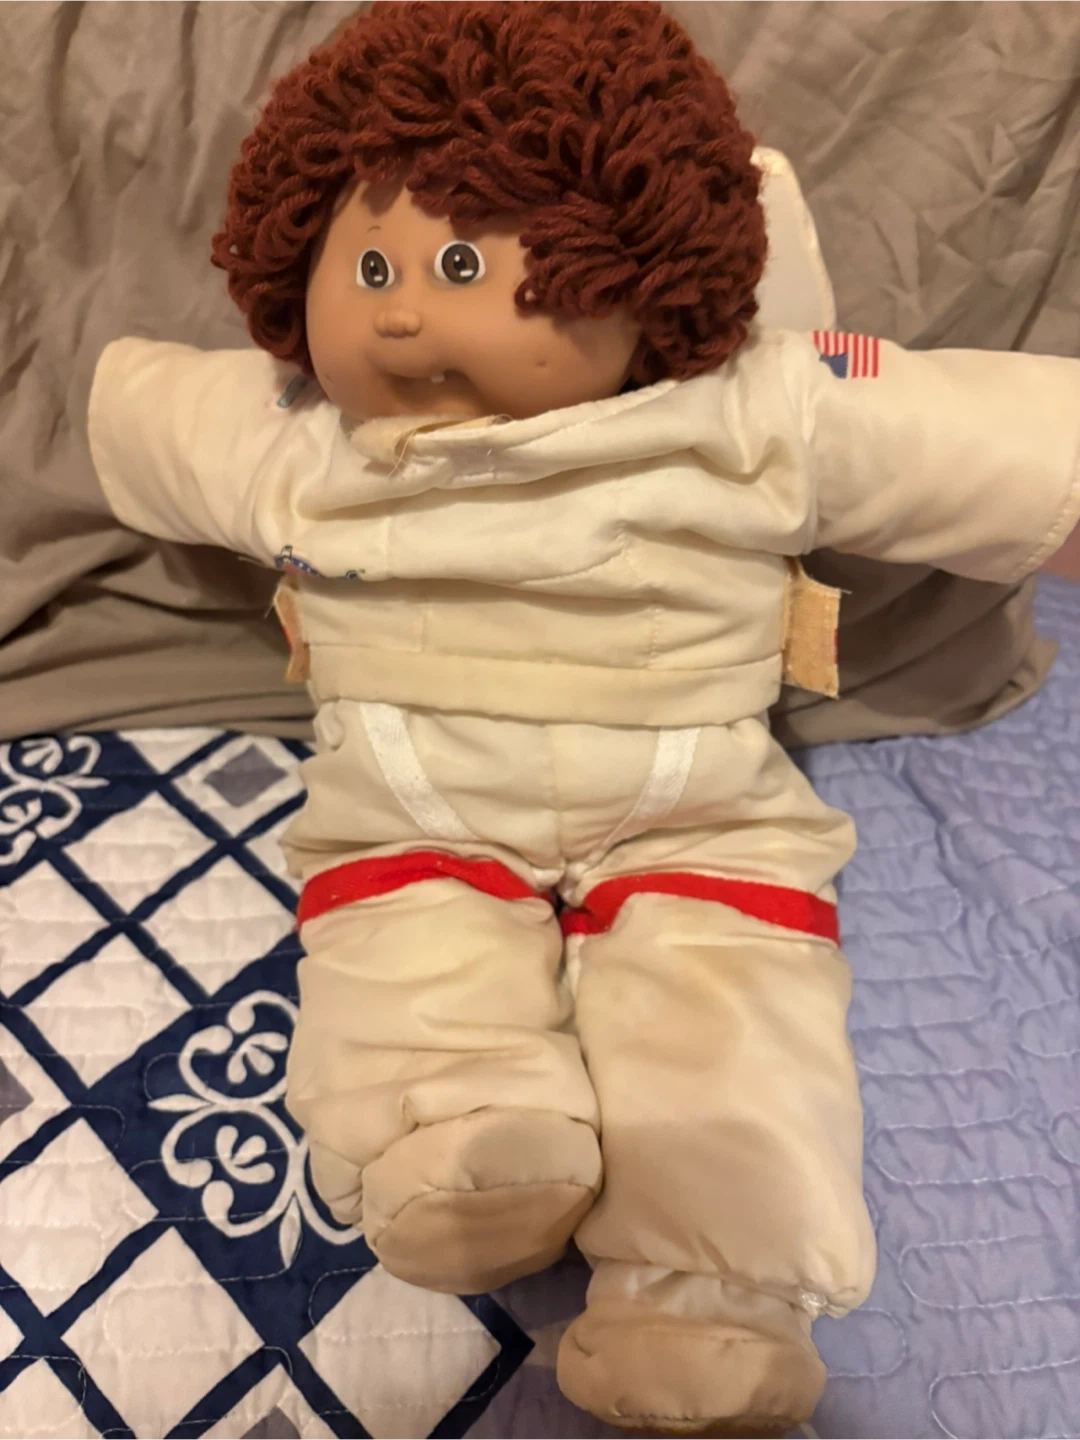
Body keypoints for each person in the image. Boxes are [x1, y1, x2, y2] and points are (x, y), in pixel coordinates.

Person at [87, 1, 1080, 1431]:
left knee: (730, 1004)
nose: (402, 312)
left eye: (464, 265)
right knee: (398, 952)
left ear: (644, 264)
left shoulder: (752, 409)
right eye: (367, 266)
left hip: (689, 810)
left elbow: (970, 440)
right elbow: (141, 419)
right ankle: (463, 1142)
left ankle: (713, 1297)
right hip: (415, 811)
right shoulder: (300, 438)